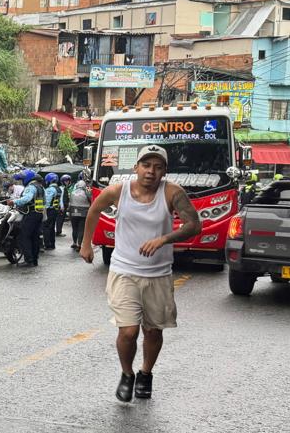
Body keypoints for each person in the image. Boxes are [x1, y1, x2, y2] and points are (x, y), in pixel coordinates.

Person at [80, 145, 202, 402]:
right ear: (136, 168)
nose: (151, 172)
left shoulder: (172, 193)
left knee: (153, 331)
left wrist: (164, 239)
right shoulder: (118, 191)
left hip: (158, 274)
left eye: (158, 167)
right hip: (124, 270)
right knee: (128, 331)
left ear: (164, 171)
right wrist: (86, 243)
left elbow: (194, 225)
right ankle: (127, 374)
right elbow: (93, 210)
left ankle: (145, 373)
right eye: (146, 166)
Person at [12, 168, 45, 267]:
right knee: (34, 237)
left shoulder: (30, 187)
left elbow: (27, 198)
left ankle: (28, 260)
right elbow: (45, 202)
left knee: (24, 236)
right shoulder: (40, 187)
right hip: (39, 214)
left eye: (22, 179)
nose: (22, 181)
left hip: (31, 214)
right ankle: (34, 260)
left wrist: (14, 201)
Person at [67, 171, 92, 251]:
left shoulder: (72, 192)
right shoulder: (86, 191)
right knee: (81, 229)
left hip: (73, 212)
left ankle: (74, 243)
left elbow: (69, 201)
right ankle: (79, 245)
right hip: (83, 212)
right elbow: (91, 199)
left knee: (74, 228)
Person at [42, 173, 60, 250]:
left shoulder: (50, 190)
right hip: (55, 210)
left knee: (46, 227)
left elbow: (47, 201)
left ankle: (47, 244)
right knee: (52, 227)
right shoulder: (58, 189)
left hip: (49, 210)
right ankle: (52, 244)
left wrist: (44, 210)